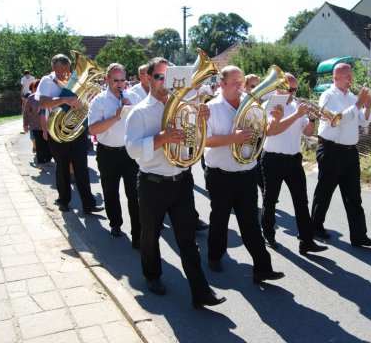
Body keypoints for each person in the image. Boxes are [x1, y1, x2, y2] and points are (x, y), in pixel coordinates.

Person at [125, 57, 225, 308]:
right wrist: (161, 138)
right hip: (152, 183)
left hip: (181, 180)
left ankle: (200, 291)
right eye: (158, 76)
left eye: (168, 77)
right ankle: (152, 275)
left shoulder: (185, 106)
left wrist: (202, 120)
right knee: (150, 235)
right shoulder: (139, 112)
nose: (164, 82)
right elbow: (132, 149)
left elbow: (196, 140)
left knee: (187, 238)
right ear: (147, 79)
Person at [204, 65, 285, 283]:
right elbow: (206, 141)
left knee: (249, 221)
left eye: (242, 82)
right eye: (235, 83)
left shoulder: (253, 106)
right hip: (220, 174)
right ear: (221, 84)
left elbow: (268, 132)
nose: (240, 87)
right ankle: (214, 255)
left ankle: (262, 267)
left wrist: (275, 120)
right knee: (219, 217)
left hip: (247, 173)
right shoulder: (211, 108)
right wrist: (233, 138)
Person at [311, 63, 371, 247]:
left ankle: (359, 236)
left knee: (354, 196)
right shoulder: (327, 95)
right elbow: (337, 120)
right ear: (335, 78)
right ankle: (315, 226)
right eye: (347, 76)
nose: (351, 79)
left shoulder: (351, 96)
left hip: (350, 152)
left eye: (351, 75)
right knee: (325, 191)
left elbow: (364, 123)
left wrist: (367, 107)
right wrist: (359, 103)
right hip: (331, 150)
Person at [259, 72, 327, 255]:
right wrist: (297, 115)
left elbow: (308, 133)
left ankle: (306, 241)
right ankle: (268, 233)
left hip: (294, 159)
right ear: (279, 88)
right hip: (273, 158)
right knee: (270, 199)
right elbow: (272, 131)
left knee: (301, 201)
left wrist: (312, 119)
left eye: (295, 89)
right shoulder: (269, 106)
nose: (293, 93)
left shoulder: (297, 106)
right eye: (290, 89)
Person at [38, 54, 103, 214]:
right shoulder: (47, 81)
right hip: (58, 131)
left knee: (81, 167)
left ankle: (89, 204)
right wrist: (64, 100)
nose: (65, 72)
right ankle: (63, 200)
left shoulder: (73, 82)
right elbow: (43, 102)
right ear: (53, 67)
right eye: (61, 68)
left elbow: (84, 103)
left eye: (67, 68)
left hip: (77, 130)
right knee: (62, 167)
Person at [88, 63, 142, 247]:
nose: (120, 85)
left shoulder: (132, 96)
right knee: (110, 192)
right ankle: (115, 224)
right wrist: (116, 116)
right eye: (115, 80)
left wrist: (132, 109)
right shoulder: (99, 101)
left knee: (135, 194)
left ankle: (138, 234)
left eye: (122, 80)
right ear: (107, 80)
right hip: (107, 153)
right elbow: (93, 128)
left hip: (129, 152)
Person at [23, 79, 52, 170]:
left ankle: (47, 158)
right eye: (35, 87)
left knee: (48, 143)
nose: (37, 89)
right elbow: (26, 112)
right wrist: (25, 124)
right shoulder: (31, 98)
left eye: (39, 87)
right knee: (39, 144)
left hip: (48, 124)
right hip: (35, 125)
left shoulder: (49, 97)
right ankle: (40, 162)